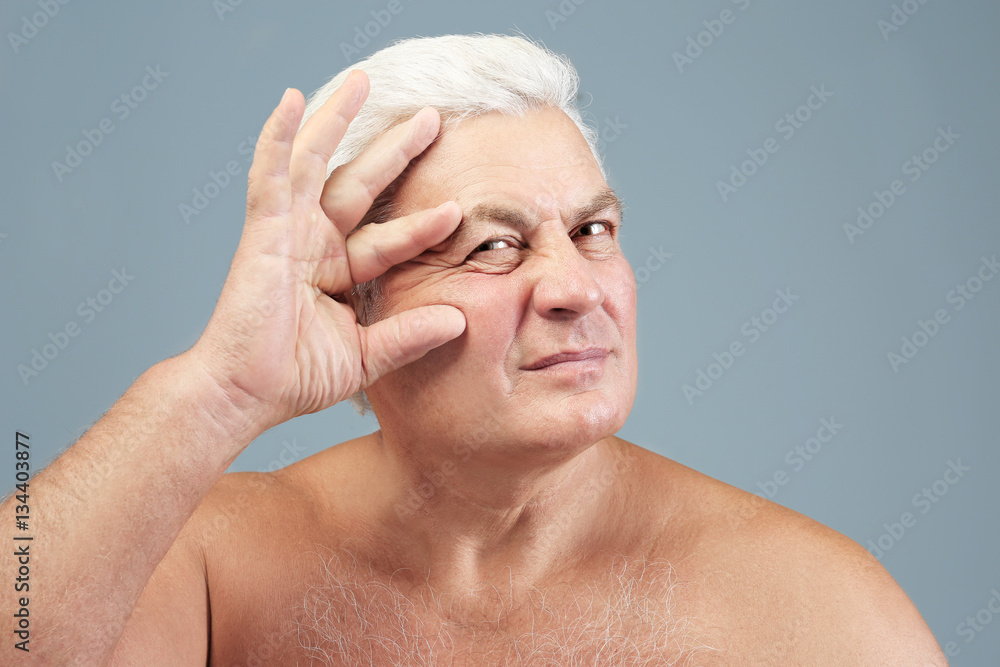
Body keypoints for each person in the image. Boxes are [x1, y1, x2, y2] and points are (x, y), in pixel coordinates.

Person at [2, 34, 947, 665]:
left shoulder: (815, 613)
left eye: (593, 230)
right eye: (495, 246)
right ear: (354, 296)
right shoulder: (206, 564)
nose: (577, 288)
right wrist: (215, 392)